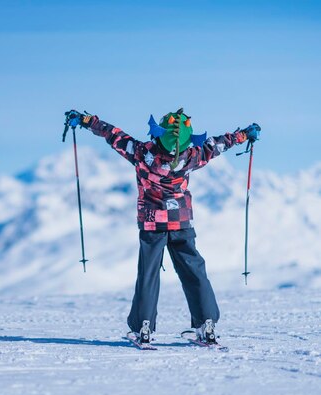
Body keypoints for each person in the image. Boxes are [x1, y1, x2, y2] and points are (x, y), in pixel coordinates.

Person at [65, 108, 260, 345]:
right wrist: (243, 135)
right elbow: (219, 144)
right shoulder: (193, 155)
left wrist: (87, 121)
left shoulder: (141, 153)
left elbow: (112, 134)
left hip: (152, 223)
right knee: (194, 271)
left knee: (148, 274)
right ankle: (206, 324)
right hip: (181, 221)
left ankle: (143, 327)